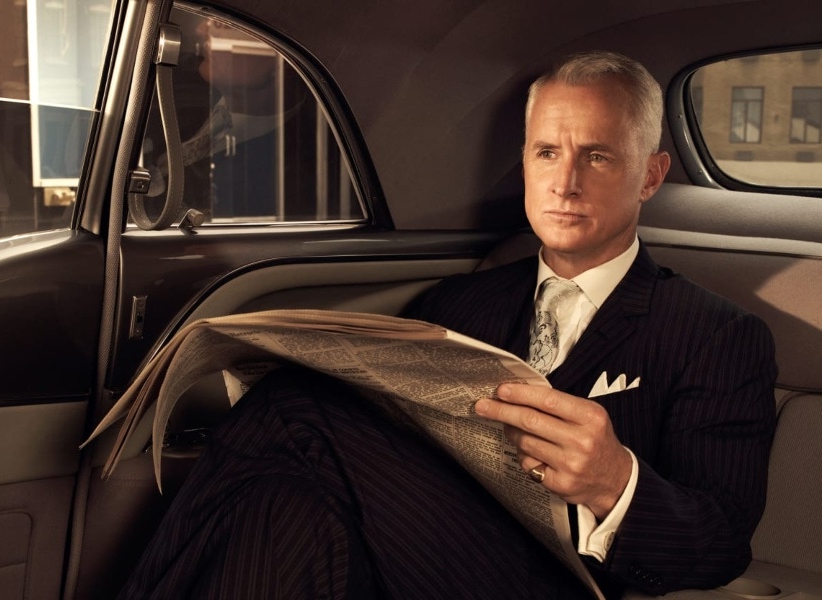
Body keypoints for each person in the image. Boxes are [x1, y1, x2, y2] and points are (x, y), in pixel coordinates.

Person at [118, 51, 777, 599]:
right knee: (284, 506)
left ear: (651, 176)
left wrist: (617, 483)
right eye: (547, 153)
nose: (565, 182)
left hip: (562, 580)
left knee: (295, 410)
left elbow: (721, 544)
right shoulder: (459, 303)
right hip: (409, 548)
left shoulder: (718, 335)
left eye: (598, 157)